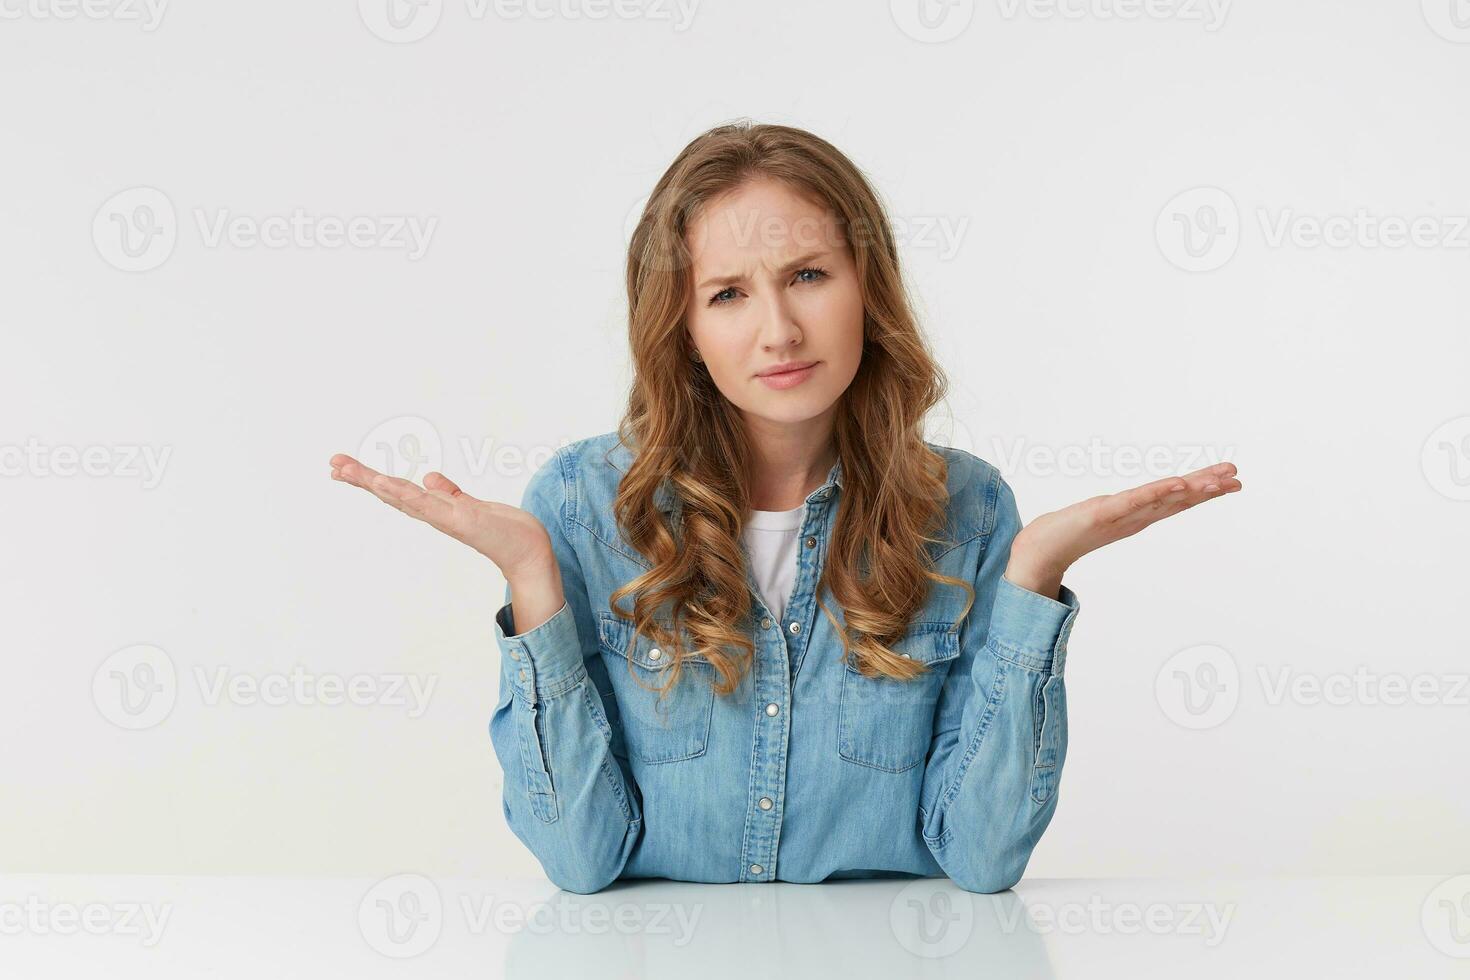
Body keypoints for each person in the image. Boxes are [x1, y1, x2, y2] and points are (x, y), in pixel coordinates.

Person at [328, 121, 1243, 894]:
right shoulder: (578, 506)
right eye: (727, 294)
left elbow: (980, 857)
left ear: (867, 287)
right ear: (682, 329)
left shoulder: (967, 510)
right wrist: (530, 577)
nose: (779, 331)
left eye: (808, 274)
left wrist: (1034, 581)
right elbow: (579, 861)